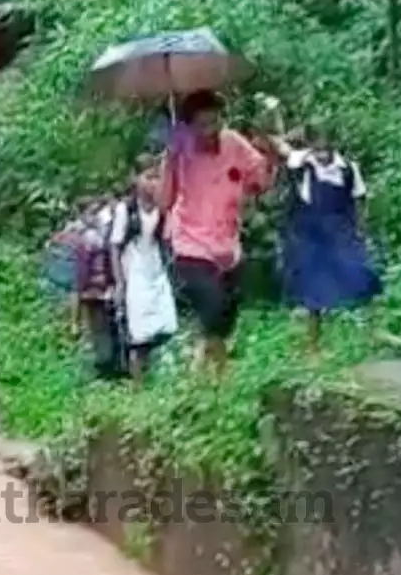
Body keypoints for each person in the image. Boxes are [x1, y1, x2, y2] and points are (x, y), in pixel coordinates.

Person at [160, 90, 276, 376]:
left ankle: (215, 373)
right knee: (213, 305)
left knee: (226, 316)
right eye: (202, 125)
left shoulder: (234, 142)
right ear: (189, 126)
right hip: (190, 243)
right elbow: (164, 201)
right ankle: (202, 369)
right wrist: (169, 161)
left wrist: (270, 153)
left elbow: (260, 179)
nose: (210, 131)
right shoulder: (178, 151)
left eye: (216, 122)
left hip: (227, 245)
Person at [274, 126, 385, 354]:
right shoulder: (303, 163)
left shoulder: (348, 169)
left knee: (363, 275)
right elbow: (279, 147)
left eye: (326, 149)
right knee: (314, 288)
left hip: (342, 231)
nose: (322, 155)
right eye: (317, 149)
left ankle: (375, 331)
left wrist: (361, 229)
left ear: (334, 147)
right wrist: (288, 136)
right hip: (312, 234)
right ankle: (313, 345)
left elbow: (359, 199)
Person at [109, 156, 177, 383]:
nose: (153, 183)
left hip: (156, 270)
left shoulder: (162, 208)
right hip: (134, 272)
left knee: (164, 326)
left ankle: (156, 380)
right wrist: (120, 282)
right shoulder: (126, 210)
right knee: (138, 333)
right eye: (148, 177)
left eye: (157, 178)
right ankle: (136, 383)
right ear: (135, 179)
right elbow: (114, 246)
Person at [71, 197, 125, 380]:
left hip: (100, 291)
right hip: (97, 292)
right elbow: (82, 273)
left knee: (103, 330)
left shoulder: (93, 236)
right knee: (103, 330)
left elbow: (81, 274)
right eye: (91, 212)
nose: (96, 216)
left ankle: (107, 368)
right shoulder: (93, 237)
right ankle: (109, 367)